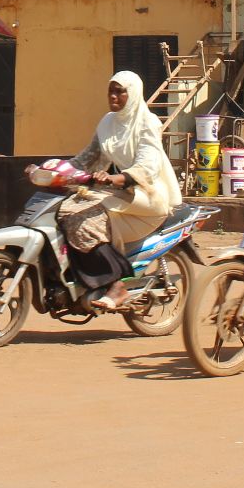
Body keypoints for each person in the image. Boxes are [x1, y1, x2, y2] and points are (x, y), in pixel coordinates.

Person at [56, 71, 182, 311]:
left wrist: (115, 178)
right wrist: (56, 170)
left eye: (120, 91)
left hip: (148, 195)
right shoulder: (108, 122)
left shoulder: (147, 122)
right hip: (121, 190)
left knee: (85, 221)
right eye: (110, 91)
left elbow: (148, 165)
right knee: (67, 209)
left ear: (133, 94)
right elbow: (88, 158)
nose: (113, 96)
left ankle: (117, 284)